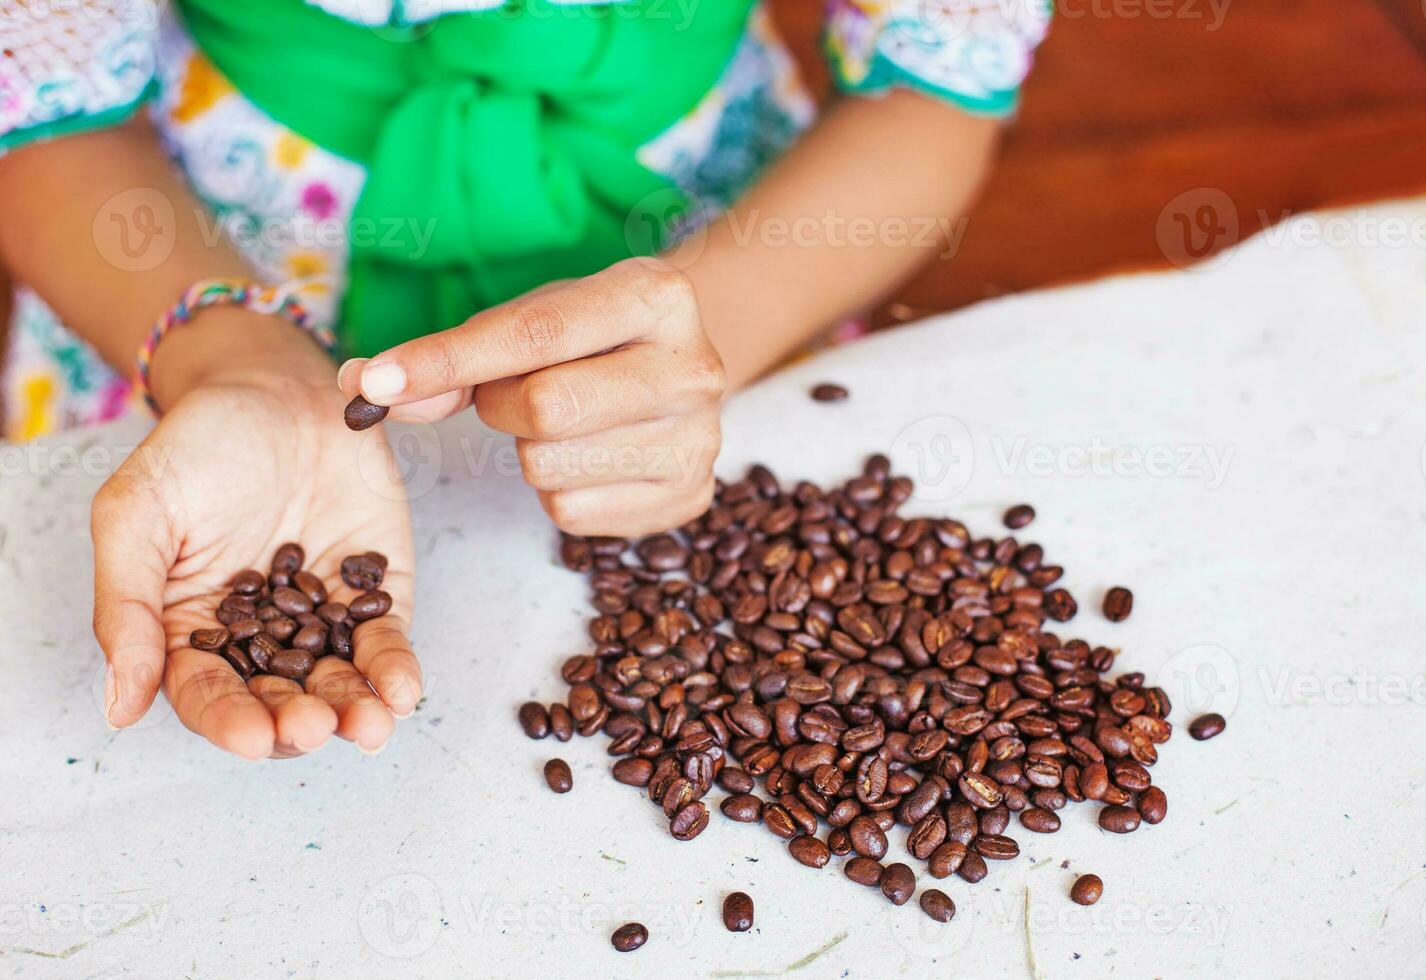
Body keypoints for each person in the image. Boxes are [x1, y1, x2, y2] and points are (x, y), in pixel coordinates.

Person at [0, 0, 1051, 759]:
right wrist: (235, 362)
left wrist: (704, 331)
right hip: (193, 254)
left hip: (733, 237)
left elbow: (933, 84)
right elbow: (48, 120)